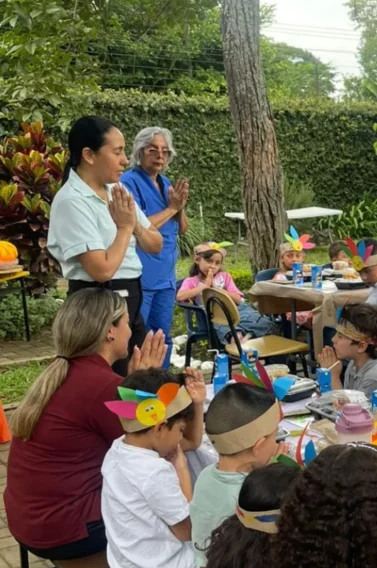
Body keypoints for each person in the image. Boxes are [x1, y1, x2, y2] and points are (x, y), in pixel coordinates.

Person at [5, 289, 168, 560]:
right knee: (171, 497)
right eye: (127, 321)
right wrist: (147, 386)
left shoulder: (63, 370)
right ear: (110, 332)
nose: (131, 330)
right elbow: (156, 446)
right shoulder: (103, 386)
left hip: (29, 521)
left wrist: (133, 387)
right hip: (65, 530)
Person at [48, 116, 163, 375]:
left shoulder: (117, 190)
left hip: (130, 301)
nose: (125, 160)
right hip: (97, 306)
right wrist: (125, 227)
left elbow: (155, 243)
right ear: (89, 155)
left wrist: (132, 225)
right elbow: (101, 269)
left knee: (140, 378)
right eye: (117, 152)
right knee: (109, 384)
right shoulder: (72, 201)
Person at [101, 368, 203, 568]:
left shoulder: (119, 448)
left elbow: (192, 442)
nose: (180, 439)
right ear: (159, 427)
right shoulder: (154, 472)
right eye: (179, 430)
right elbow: (189, 532)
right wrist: (182, 470)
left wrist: (196, 405)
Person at [187, 382, 282, 568]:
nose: (276, 443)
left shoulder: (207, 475)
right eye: (275, 435)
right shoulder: (247, 497)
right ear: (259, 445)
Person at [121, 127, 189, 369]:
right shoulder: (127, 182)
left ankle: (161, 383)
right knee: (139, 338)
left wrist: (179, 207)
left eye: (165, 151)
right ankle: (138, 388)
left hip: (166, 277)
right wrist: (171, 208)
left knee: (163, 338)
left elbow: (181, 228)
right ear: (139, 153)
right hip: (143, 276)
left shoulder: (166, 182)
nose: (160, 155)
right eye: (153, 150)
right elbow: (137, 226)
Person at [177, 242, 277, 344]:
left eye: (217, 263)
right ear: (197, 260)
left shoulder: (224, 277)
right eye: (209, 261)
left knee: (266, 324)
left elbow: (239, 300)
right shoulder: (191, 281)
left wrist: (217, 288)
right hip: (214, 315)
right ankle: (240, 342)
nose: (213, 266)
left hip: (238, 309)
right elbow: (180, 296)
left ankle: (253, 341)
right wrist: (204, 287)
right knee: (229, 330)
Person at [317, 303, 377, 396]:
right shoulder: (354, 364)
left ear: (361, 346)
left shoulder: (374, 378)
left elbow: (349, 409)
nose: (333, 339)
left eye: (340, 336)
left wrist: (333, 377)